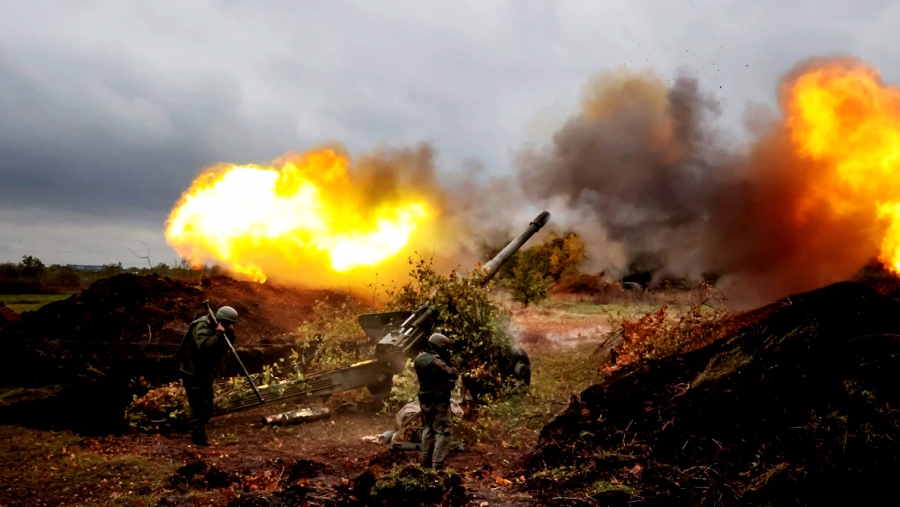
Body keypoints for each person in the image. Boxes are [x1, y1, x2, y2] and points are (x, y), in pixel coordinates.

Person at [177, 305, 238, 446]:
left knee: (208, 408)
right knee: (199, 408)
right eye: (229, 323)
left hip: (205, 371)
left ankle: (199, 437)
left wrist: (229, 333)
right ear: (221, 320)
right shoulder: (202, 326)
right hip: (192, 372)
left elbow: (224, 347)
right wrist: (218, 334)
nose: (231, 325)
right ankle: (199, 441)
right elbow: (205, 347)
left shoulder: (218, 326)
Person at [413, 333, 459, 470]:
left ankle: (425, 462)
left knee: (428, 429)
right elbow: (453, 374)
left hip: (425, 400)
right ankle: (437, 465)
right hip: (438, 401)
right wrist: (452, 362)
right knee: (444, 431)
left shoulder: (419, 359)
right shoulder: (437, 362)